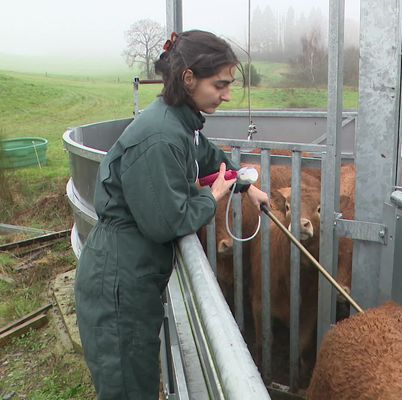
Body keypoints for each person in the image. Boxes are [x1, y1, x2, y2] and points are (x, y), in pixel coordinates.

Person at [74, 30, 269, 399]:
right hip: (118, 284)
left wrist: (247, 185)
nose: (227, 94)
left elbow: (211, 157)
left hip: (132, 276)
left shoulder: (181, 122)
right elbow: (168, 222)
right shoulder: (161, 136)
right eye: (221, 84)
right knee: (129, 390)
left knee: (140, 379)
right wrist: (211, 198)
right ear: (189, 78)